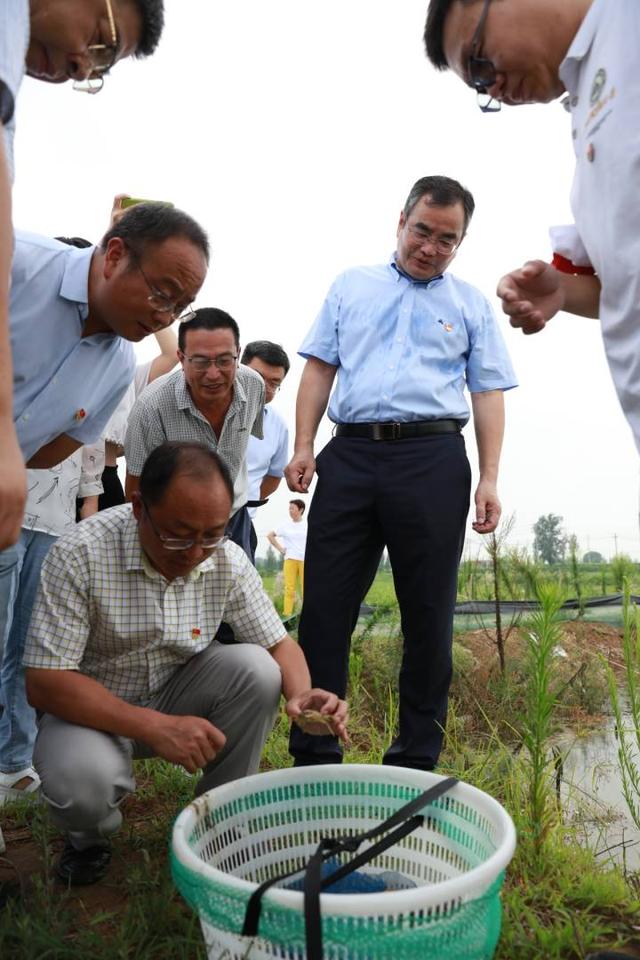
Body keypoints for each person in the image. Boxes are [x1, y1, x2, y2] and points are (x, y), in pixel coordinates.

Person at [23, 442, 348, 885]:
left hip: (176, 690)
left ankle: (220, 824)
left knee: (258, 669)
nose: (196, 551)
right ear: (139, 507)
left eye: (211, 534)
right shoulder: (81, 553)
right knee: (82, 788)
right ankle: (89, 841)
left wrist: (302, 694)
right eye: (178, 534)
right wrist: (154, 727)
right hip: (92, 710)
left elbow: (279, 646)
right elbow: (45, 682)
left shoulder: (226, 559)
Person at [285, 175, 517, 771]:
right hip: (352, 455)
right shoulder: (350, 286)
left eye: (448, 239)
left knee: (429, 616)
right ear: (402, 220)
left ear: (459, 242)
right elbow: (318, 369)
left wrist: (489, 478)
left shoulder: (469, 305)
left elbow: (487, 391)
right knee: (325, 610)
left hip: (433, 461)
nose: (431, 247)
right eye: (423, 231)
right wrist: (306, 445)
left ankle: (414, 759)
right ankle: (315, 752)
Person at [423, 0, 640, 457]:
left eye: (479, 61)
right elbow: (623, 286)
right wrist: (562, 290)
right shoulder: (586, 106)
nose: (493, 87)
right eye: (479, 86)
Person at [0, 0, 165, 551]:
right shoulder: (26, 263)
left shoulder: (116, 364)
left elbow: (52, 451)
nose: (80, 68)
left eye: (99, 68)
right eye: (100, 41)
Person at [0, 442, 104, 807]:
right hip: (6, 500)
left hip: (56, 519)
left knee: (27, 645)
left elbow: (92, 436)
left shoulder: (93, 383)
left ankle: (14, 765)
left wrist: (88, 506)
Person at [125, 309, 265, 559]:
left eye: (224, 361)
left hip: (235, 518)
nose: (213, 374)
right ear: (181, 358)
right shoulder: (151, 407)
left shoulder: (254, 385)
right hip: (177, 529)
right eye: (200, 362)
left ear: (238, 354)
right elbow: (136, 489)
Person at [100, 327, 179, 509]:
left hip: (105, 476)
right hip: (60, 473)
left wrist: (158, 305)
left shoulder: (128, 375)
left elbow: (172, 352)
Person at [242, 341, 290, 561]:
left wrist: (245, 496)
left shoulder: (277, 426)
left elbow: (274, 476)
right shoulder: (209, 408)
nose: (264, 388)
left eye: (274, 383)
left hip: (241, 523)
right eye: (257, 377)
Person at [267, 500, 308, 618]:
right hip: (290, 559)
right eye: (289, 508)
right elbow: (270, 535)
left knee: (306, 588)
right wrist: (280, 549)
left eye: (293, 508)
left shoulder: (307, 525)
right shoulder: (284, 525)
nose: (290, 511)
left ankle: (306, 615)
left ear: (301, 510)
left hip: (305, 560)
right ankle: (287, 614)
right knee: (289, 588)